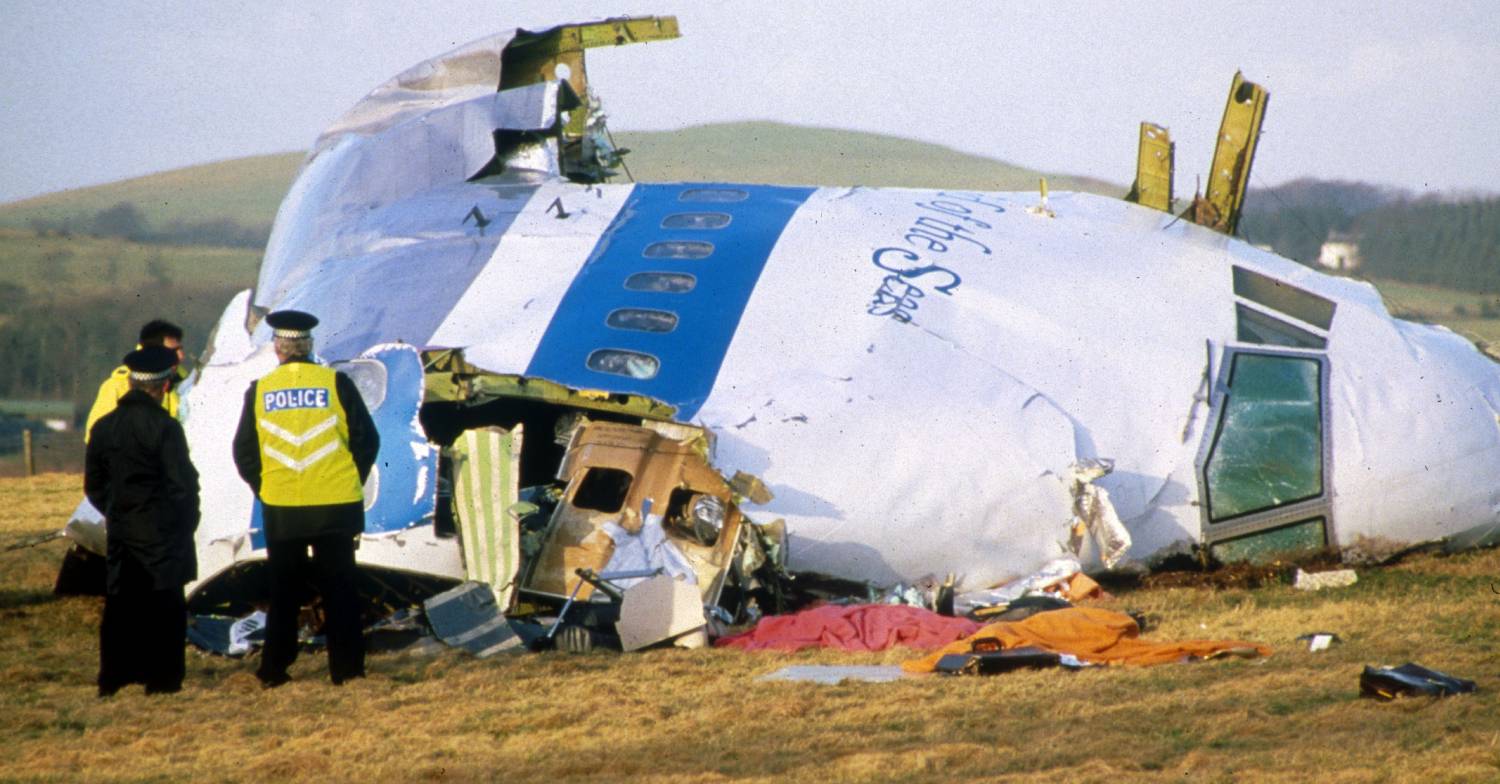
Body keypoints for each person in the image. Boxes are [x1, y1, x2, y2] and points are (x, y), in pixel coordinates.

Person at [231, 310, 379, 688]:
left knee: (284, 593)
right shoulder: (336, 383)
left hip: (283, 509)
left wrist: (266, 488)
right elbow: (367, 440)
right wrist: (351, 480)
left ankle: (273, 670)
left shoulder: (260, 390)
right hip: (335, 506)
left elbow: (244, 452)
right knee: (340, 590)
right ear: (309, 346)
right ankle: (347, 671)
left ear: (278, 349)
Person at [84, 345, 200, 697]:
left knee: (121, 606)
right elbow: (182, 485)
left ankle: (114, 677)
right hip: (162, 531)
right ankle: (162, 680)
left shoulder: (104, 427)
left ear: (132, 384)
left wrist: (117, 511)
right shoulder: (165, 427)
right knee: (165, 606)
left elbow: (93, 486)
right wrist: (184, 523)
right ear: (163, 386)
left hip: (122, 528)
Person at [84, 320, 190, 443]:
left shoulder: (185, 383)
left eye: (180, 349)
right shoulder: (116, 386)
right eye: (173, 351)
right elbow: (96, 437)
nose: (181, 356)